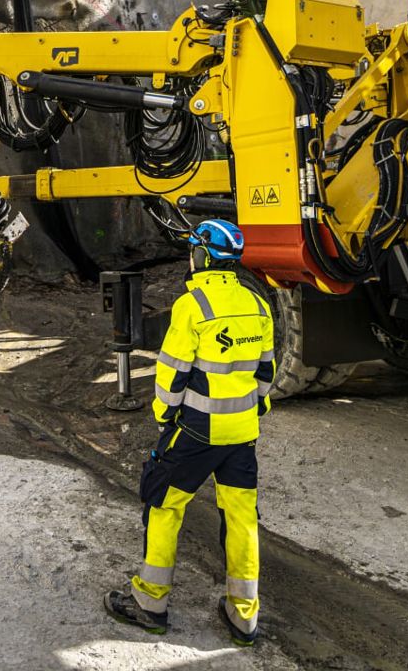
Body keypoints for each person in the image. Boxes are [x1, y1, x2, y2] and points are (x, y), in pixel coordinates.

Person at [104, 219, 275, 646]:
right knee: (241, 518)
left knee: (162, 503)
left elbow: (171, 376)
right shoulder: (258, 303)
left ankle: (150, 603)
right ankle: (244, 615)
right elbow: (266, 374)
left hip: (197, 431)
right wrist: (250, 413)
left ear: (202, 254)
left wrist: (165, 416)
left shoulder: (192, 305)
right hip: (242, 433)